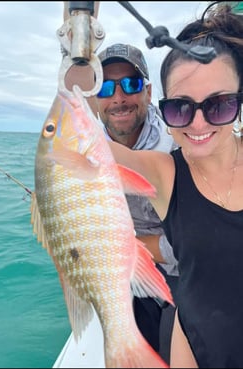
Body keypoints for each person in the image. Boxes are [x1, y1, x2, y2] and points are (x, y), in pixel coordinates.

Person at [107, 3, 243, 368]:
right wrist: (76, 32)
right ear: (164, 107)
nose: (198, 124)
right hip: (194, 349)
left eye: (219, 105)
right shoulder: (166, 172)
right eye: (181, 108)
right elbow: (81, 145)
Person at [95, 42, 179, 362]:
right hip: (125, 275)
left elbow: (195, 240)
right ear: (95, 98)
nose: (118, 97)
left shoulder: (176, 144)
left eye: (130, 84)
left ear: (147, 92)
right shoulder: (85, 149)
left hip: (179, 275)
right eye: (104, 86)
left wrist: (127, 248)